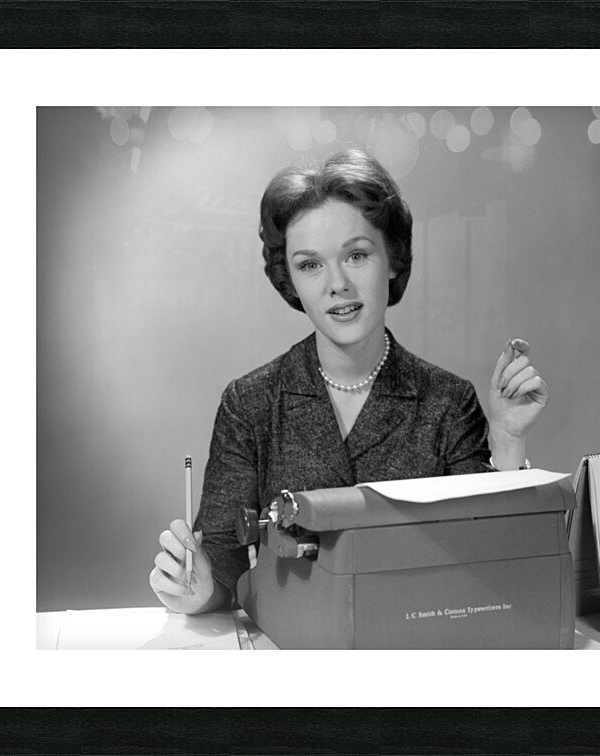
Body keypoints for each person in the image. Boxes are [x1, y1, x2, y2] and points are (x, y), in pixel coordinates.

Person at [149, 149, 549, 615]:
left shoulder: (448, 402)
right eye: (310, 265)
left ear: (393, 259)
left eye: (356, 255)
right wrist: (196, 591)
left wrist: (506, 440)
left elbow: (490, 558)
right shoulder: (250, 403)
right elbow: (221, 563)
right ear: (290, 280)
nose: (336, 284)